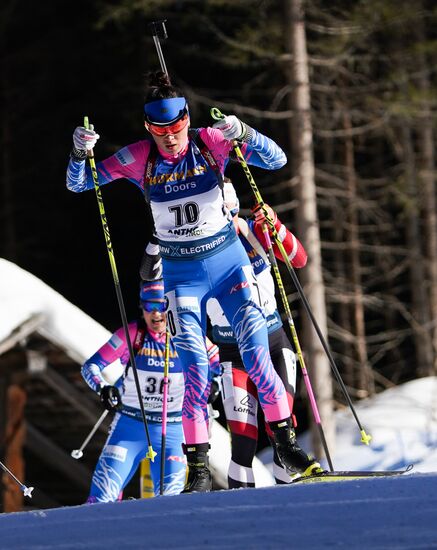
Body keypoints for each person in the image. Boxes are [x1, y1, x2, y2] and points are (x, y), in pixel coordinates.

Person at [67, 70, 320, 492]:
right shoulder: (137, 157)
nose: (171, 138)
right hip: (183, 280)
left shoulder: (210, 141)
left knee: (257, 357)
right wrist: (80, 154)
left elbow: (276, 159)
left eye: (178, 127)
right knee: (196, 373)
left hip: (229, 266)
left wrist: (244, 132)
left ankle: (287, 445)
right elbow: (81, 185)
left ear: (188, 119)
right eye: (161, 130)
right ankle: (199, 470)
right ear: (149, 128)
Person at [207, 180, 321, 488]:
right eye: (220, 213)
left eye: (231, 210)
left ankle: (288, 503)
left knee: (283, 429)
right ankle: (242, 513)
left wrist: (276, 227)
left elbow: (299, 259)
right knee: (243, 440)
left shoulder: (251, 232)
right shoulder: (200, 249)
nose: (228, 219)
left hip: (273, 342)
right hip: (233, 352)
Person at [81, 279, 220, 501]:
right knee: (100, 499)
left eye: (162, 307)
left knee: (169, 503)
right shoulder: (131, 335)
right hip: (130, 426)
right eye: (149, 307)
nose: (156, 315)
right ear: (142, 308)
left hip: (173, 431)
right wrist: (103, 388)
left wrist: (214, 384)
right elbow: (91, 366)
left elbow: (221, 366)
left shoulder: (189, 334)